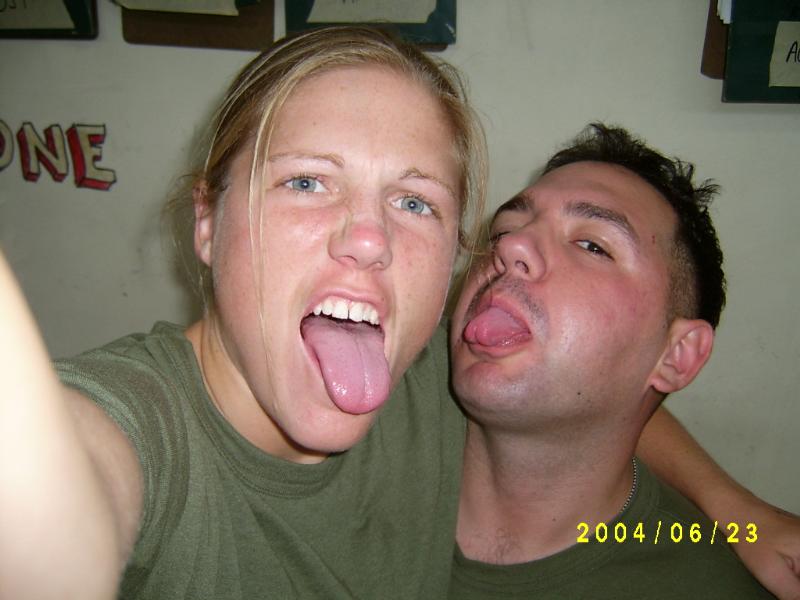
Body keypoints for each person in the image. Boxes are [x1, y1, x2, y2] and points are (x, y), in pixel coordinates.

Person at [0, 27, 795, 600]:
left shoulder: (429, 383)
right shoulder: (152, 427)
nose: (370, 236)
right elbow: (69, 489)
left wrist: (734, 513)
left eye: (415, 202)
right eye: (306, 181)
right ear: (206, 223)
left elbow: (595, 396)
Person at [448, 123, 780, 598]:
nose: (509, 246)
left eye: (592, 246)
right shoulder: (377, 392)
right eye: (504, 229)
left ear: (675, 356)